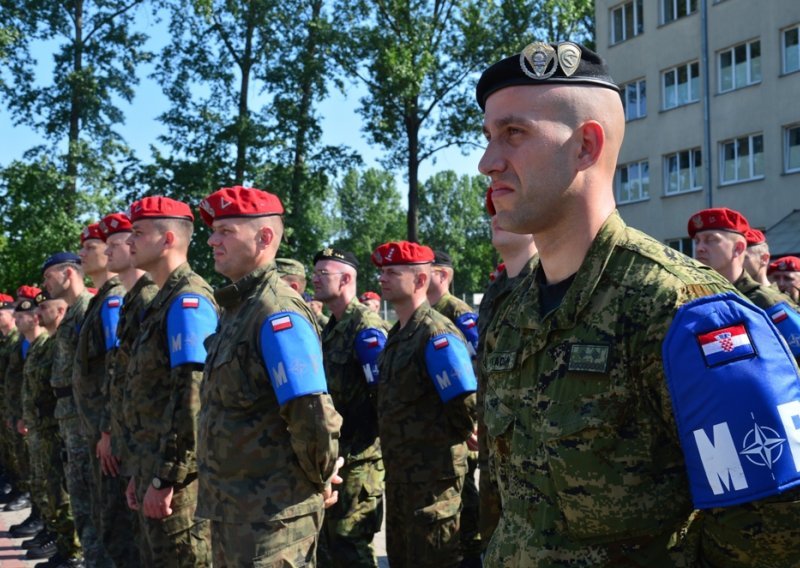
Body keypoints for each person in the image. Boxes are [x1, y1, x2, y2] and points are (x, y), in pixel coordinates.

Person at [477, 40, 800, 566]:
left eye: (514, 134)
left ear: (585, 147)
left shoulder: (683, 310)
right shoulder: (513, 314)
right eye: (489, 136)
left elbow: (774, 526)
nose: (487, 162)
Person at [196, 186, 342, 566]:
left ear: (264, 238)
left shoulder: (276, 312)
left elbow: (311, 412)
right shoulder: (237, 309)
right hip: (236, 511)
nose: (212, 240)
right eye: (214, 231)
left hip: (273, 519)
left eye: (226, 231)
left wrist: (319, 478)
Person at [122, 196, 216, 566]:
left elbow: (192, 397)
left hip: (178, 484)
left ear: (168, 240)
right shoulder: (162, 299)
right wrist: (141, 473)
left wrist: (166, 478)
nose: (130, 242)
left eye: (139, 233)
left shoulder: (187, 300)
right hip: (153, 467)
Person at [372, 240, 477, 568]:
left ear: (420, 280)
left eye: (392, 271)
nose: (382, 278)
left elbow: (467, 403)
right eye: (381, 271)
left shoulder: (435, 333)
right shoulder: (397, 333)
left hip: (433, 481)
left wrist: (453, 439)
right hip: (402, 478)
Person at [312, 247, 386, 568]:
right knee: (330, 550)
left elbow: (384, 397)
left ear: (345, 280)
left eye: (322, 274)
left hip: (359, 465)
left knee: (350, 550)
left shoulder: (365, 328)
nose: (314, 279)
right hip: (336, 460)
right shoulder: (332, 326)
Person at [476, 187, 537, 551]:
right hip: (492, 458)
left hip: (535, 470)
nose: (496, 217)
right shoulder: (495, 292)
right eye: (493, 211)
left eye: (507, 208)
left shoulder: (549, 283)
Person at [99, 212, 157, 567]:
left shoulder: (155, 300)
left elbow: (185, 390)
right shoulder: (132, 301)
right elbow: (120, 378)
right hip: (132, 442)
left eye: (114, 243)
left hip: (151, 448)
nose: (109, 252)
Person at [41, 249, 104, 564]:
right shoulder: (75, 313)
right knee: (82, 503)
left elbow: (104, 373)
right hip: (72, 419)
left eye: (48, 277)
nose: (45, 285)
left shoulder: (88, 310)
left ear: (68, 273)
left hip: (87, 423)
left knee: (93, 506)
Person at [72, 222, 125, 568]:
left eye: (91, 247)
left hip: (108, 434)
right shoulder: (101, 301)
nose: (83, 254)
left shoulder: (113, 302)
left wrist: (107, 428)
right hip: (94, 430)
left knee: (115, 528)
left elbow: (115, 368)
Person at [426, 250, 481, 566]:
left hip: (463, 425)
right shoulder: (431, 311)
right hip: (442, 424)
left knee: (465, 504)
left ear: (442, 275)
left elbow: (480, 364)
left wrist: (474, 420)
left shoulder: (458, 313)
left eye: (427, 269)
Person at [690, 207, 800, 360]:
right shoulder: (694, 298)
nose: (700, 248)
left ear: (738, 248)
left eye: (711, 240)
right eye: (697, 241)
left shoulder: (765, 303)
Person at [24, 290, 83, 567]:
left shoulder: (59, 342)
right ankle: (60, 541)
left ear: (60, 311)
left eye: (44, 308)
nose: (38, 314)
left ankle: (71, 549)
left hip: (59, 427)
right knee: (50, 486)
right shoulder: (49, 345)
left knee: (62, 491)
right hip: (47, 425)